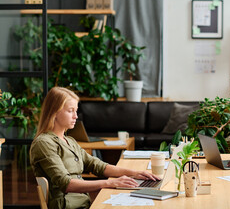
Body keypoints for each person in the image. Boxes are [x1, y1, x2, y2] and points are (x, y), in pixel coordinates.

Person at [30, 87, 160, 209]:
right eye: (70, 111)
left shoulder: (70, 141)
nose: (76, 116)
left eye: (76, 111)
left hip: (83, 203)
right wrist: (109, 183)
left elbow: (97, 165)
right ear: (55, 112)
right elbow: (66, 183)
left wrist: (134, 173)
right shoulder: (44, 143)